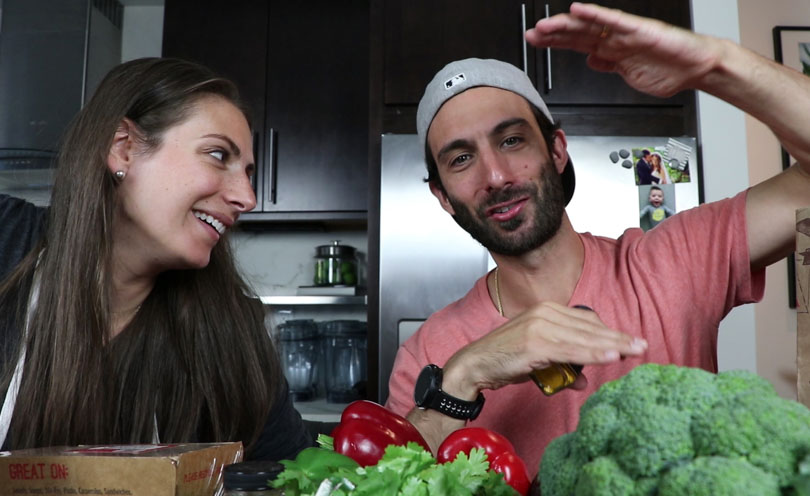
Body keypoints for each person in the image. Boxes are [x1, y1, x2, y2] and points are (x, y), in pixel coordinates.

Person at [385, 2, 810, 478]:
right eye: (461, 159)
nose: (496, 176)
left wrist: (717, 64)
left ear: (557, 151)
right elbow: (393, 483)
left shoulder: (674, 262)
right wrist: (465, 375)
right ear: (443, 197)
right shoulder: (428, 355)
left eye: (511, 141)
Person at [0, 57, 312, 460]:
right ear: (123, 149)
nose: (246, 198)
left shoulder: (231, 337)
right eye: (218, 155)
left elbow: (298, 477)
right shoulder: (7, 242)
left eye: (249, 172)